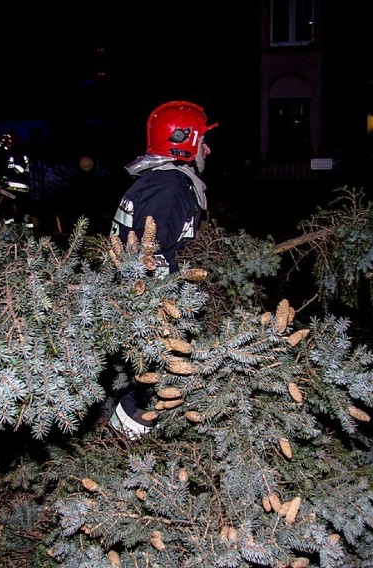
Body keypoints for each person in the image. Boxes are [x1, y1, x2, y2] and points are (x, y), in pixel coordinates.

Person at [108, 100, 218, 438]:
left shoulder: (163, 181)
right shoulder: (169, 189)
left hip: (147, 299)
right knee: (150, 382)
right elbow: (144, 257)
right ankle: (124, 443)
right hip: (150, 304)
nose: (208, 149)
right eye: (202, 140)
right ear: (183, 143)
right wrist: (158, 320)